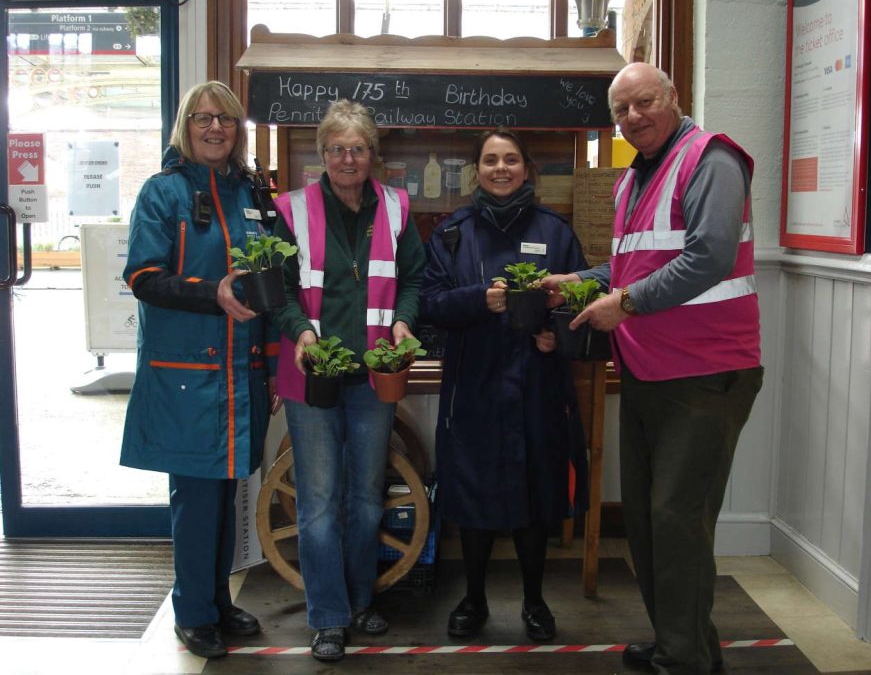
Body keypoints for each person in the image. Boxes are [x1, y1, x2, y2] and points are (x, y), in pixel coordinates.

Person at [543, 62, 763, 674]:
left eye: (644, 102)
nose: (633, 116)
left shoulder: (710, 160)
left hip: (706, 374)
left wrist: (628, 304)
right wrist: (581, 282)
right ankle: (681, 643)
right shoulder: (633, 180)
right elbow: (631, 269)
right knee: (644, 521)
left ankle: (685, 659)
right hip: (648, 371)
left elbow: (711, 255)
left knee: (676, 520)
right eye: (621, 109)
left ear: (672, 97)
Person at [121, 81, 279, 659]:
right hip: (186, 371)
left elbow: (273, 276)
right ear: (186, 127)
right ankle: (193, 612)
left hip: (242, 370)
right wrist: (211, 293)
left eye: (227, 120)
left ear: (239, 132)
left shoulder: (253, 195)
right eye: (204, 119)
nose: (215, 129)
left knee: (227, 492)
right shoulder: (161, 193)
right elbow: (142, 277)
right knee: (195, 496)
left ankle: (217, 598)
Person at [271, 99, 425, 662]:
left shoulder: (396, 208)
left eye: (357, 148)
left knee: (364, 498)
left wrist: (405, 319)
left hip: (374, 375)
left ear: (372, 155)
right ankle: (329, 617)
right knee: (316, 502)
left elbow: (413, 278)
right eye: (337, 149)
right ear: (322, 155)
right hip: (310, 372)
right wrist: (300, 333)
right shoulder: (290, 211)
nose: (347, 158)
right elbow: (281, 290)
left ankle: (361, 601)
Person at [420, 127, 589, 642]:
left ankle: (535, 603)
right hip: (473, 388)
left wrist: (553, 338)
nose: (501, 168)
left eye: (510, 159)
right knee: (473, 498)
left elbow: (582, 300)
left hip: (538, 388)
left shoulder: (555, 232)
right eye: (490, 160)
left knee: (536, 497)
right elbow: (430, 304)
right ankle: (473, 600)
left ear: (526, 168)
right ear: (477, 169)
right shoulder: (452, 231)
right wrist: (479, 299)